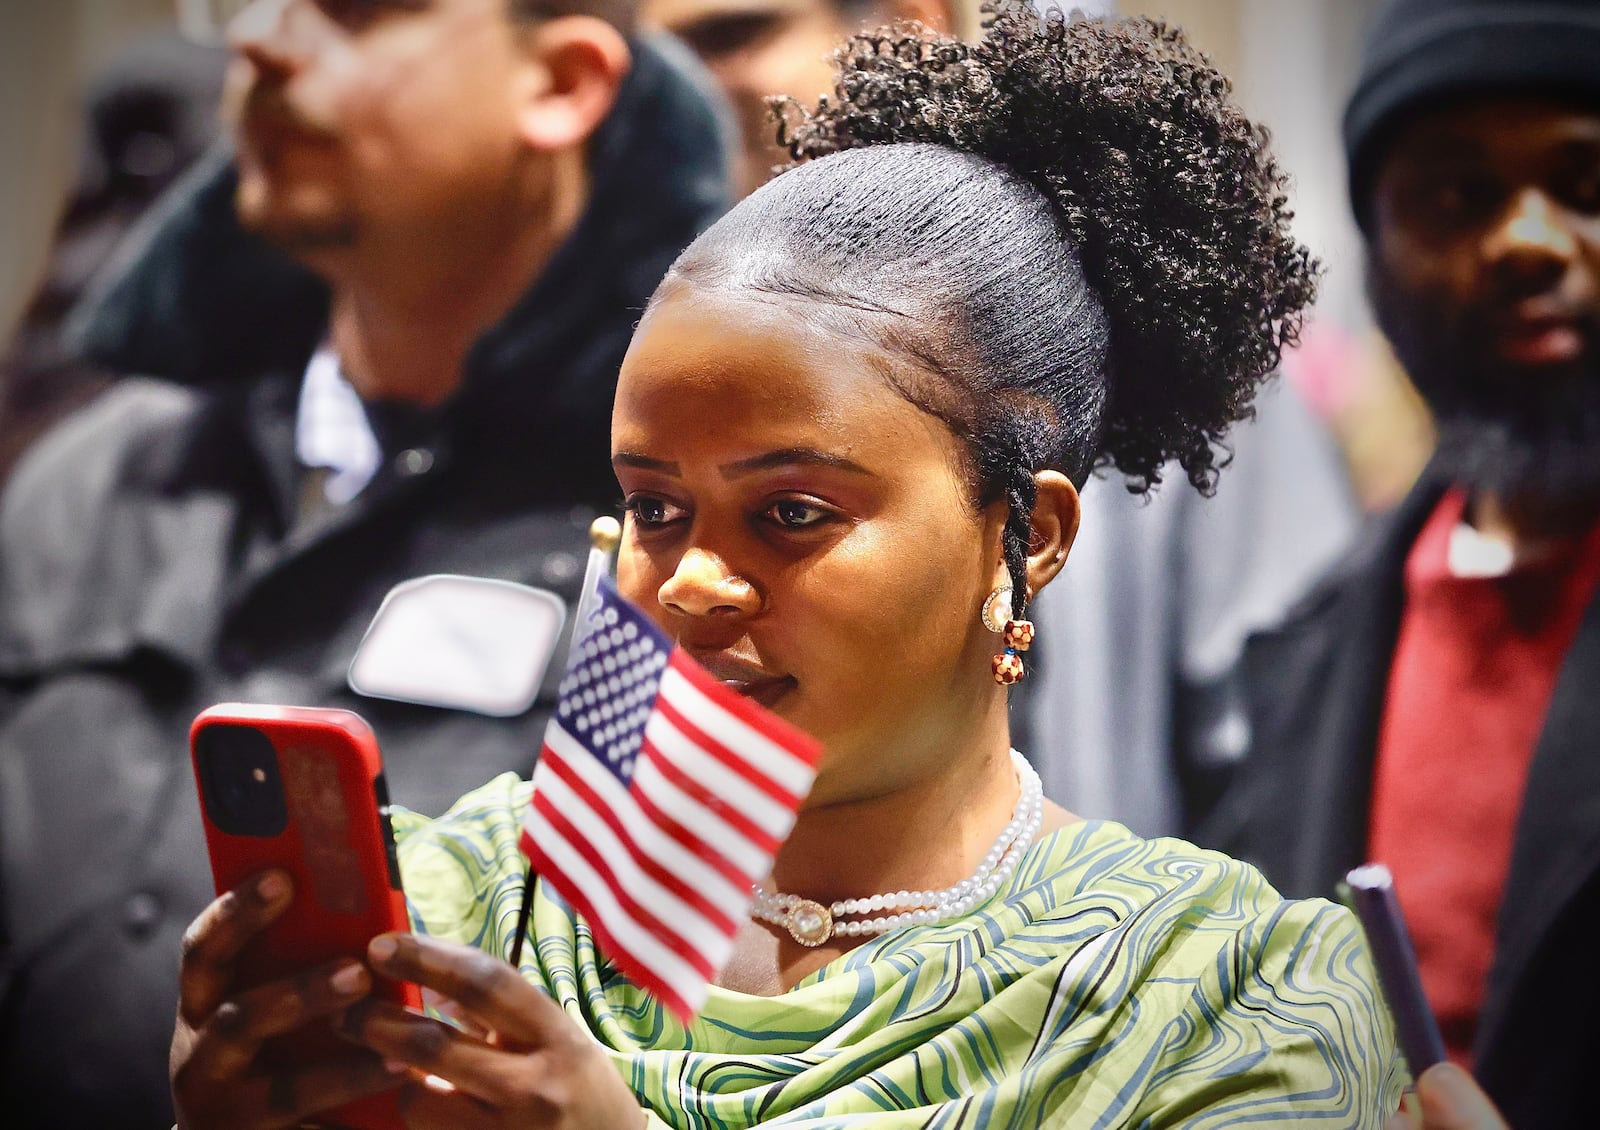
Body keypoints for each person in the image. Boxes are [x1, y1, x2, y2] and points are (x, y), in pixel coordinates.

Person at [170, 6, 1408, 1126]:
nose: (689, 586)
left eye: (793, 512)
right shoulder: (466, 905)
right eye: (654, 507)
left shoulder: (1234, 994)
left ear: (1027, 534)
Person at [0, 0, 730, 1124]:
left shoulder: (697, 534)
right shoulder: (93, 477)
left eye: (351, 10)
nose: (264, 42)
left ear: (561, 84)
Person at [645, 0, 1363, 844]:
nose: (683, 91)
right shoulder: (653, 361)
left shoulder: (1144, 364)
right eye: (651, 505)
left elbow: (1292, 758)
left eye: (735, 36)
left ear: (911, 23)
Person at [1201, 0, 1600, 1125]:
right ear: (1377, 250)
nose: (1526, 237)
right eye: (1455, 195)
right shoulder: (1304, 652)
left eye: (1585, 182)